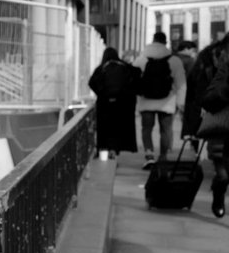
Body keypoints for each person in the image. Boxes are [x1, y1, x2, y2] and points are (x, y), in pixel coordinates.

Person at [182, 33, 229, 218]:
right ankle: (218, 194)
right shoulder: (209, 61)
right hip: (220, 124)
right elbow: (202, 98)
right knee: (224, 175)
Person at [132, 32, 187, 169]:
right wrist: (181, 103)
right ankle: (163, 157)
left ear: (153, 40)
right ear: (165, 42)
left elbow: (132, 80)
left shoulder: (141, 59)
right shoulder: (174, 60)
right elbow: (181, 83)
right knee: (166, 130)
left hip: (146, 101)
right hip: (167, 101)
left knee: (146, 129)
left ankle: (149, 155)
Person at [87, 47, 139, 157]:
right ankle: (115, 149)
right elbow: (136, 78)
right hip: (123, 105)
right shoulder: (124, 67)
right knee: (118, 127)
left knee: (105, 128)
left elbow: (92, 82)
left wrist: (102, 94)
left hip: (105, 104)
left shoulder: (102, 68)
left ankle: (104, 150)